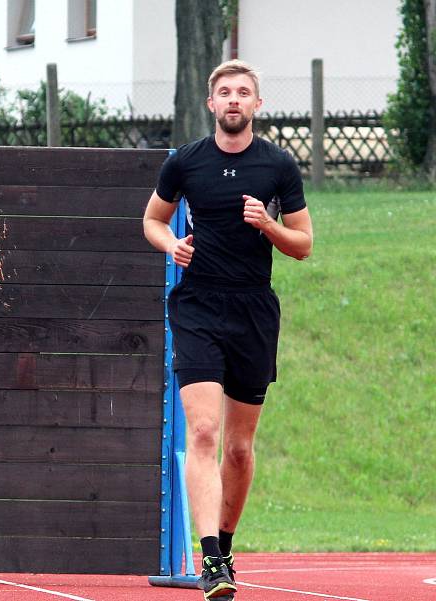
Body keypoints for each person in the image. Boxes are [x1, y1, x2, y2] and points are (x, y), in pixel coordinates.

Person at [143, 60, 313, 600]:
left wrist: (269, 224)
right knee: (203, 433)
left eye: (243, 92)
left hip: (253, 312)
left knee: (238, 448)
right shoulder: (185, 163)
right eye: (224, 92)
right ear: (211, 104)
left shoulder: (279, 166)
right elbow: (151, 219)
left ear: (257, 105)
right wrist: (173, 245)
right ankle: (211, 562)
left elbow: (304, 244)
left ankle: (228, 546)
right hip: (196, 307)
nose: (233, 100)